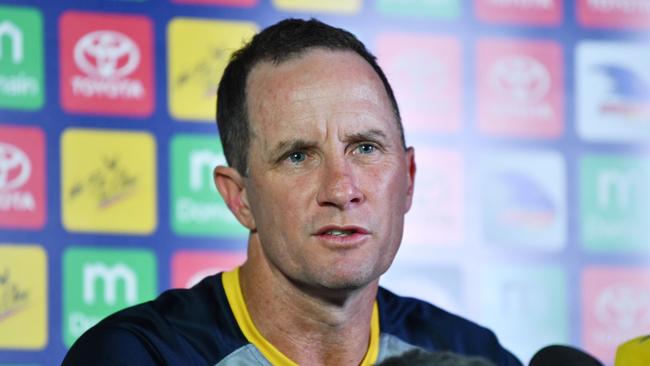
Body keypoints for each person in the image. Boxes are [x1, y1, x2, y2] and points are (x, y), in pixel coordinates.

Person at [62, 18, 522, 366]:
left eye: (365, 147)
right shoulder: (138, 356)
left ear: (408, 179)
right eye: (298, 156)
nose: (342, 190)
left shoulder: (469, 354)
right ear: (239, 198)